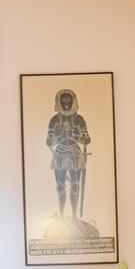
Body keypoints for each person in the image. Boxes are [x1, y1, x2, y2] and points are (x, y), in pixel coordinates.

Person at [45, 87, 91, 219]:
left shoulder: (79, 119)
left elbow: (86, 138)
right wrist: (61, 136)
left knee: (75, 186)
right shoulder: (54, 120)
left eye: (68, 101)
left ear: (73, 102)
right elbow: (49, 141)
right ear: (59, 102)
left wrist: (75, 136)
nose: (66, 104)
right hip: (59, 154)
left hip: (75, 155)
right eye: (63, 101)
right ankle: (62, 214)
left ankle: (75, 215)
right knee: (60, 186)